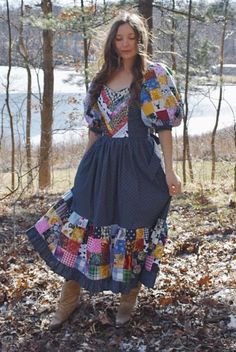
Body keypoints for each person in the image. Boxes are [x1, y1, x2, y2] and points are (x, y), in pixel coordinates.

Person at [26, 11, 183, 329]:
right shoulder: (101, 78)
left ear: (141, 39)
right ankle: (68, 301)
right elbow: (95, 130)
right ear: (112, 41)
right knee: (83, 225)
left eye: (131, 37)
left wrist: (170, 171)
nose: (125, 43)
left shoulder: (153, 75)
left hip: (138, 164)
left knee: (132, 228)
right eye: (119, 37)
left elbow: (164, 128)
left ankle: (128, 299)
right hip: (99, 164)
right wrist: (84, 166)